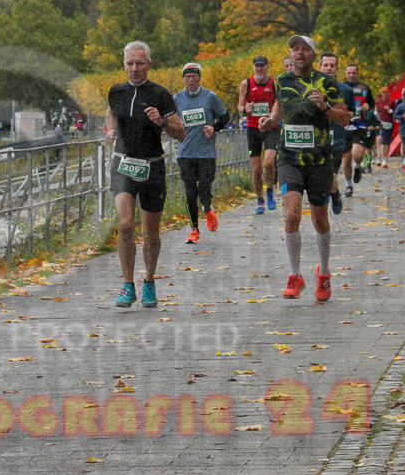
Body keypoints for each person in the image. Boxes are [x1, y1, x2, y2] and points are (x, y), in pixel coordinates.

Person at [259, 35, 351, 302]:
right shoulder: (280, 81)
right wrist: (270, 120)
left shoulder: (328, 82)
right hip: (289, 158)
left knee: (319, 219)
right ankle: (295, 275)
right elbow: (280, 107)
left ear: (313, 55)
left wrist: (324, 107)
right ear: (290, 55)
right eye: (295, 49)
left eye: (304, 49)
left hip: (319, 161)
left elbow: (344, 119)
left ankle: (324, 273)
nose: (299, 52)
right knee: (291, 215)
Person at [105, 41, 185, 309]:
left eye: (140, 63)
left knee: (150, 234)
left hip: (152, 166)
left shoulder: (161, 95)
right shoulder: (116, 91)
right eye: (130, 63)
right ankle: (128, 285)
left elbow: (180, 132)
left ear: (149, 64)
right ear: (124, 65)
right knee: (126, 225)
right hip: (123, 166)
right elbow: (111, 113)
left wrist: (162, 122)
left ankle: (149, 282)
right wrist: (109, 131)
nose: (135, 68)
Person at [174, 62, 230, 242]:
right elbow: (168, 121)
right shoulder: (176, 99)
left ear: (199, 78)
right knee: (190, 192)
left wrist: (214, 128)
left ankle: (207, 208)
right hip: (185, 153)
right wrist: (176, 126)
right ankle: (194, 229)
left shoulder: (210, 97)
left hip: (206, 154)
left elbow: (225, 116)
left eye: (194, 76)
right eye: (187, 77)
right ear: (183, 79)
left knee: (204, 189)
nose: (190, 80)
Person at [238, 55, 279, 214]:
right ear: (253, 67)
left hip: (270, 127)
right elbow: (240, 105)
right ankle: (260, 199)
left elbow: (280, 103)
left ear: (267, 67)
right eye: (257, 66)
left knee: (268, 163)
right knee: (256, 170)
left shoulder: (274, 83)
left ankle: (270, 190)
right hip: (253, 128)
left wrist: (273, 115)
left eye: (262, 65)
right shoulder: (246, 83)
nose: (259, 68)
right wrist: (244, 109)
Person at [319, 52, 354, 213]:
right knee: (322, 177)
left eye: (332, 65)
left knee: (331, 175)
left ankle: (335, 195)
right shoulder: (312, 88)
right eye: (325, 65)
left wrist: (342, 114)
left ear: (337, 68)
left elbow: (351, 113)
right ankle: (334, 192)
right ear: (320, 67)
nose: (328, 68)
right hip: (317, 139)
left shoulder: (346, 90)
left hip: (337, 138)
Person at [343, 64, 376, 188]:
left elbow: (371, 102)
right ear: (345, 73)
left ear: (357, 73)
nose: (351, 75)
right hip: (344, 127)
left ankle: (357, 167)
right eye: (349, 73)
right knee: (346, 160)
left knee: (357, 154)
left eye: (353, 73)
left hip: (359, 125)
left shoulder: (364, 88)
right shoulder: (340, 87)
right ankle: (348, 185)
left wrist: (369, 107)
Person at [375, 88, 394, 168]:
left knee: (387, 142)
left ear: (388, 93)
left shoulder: (392, 102)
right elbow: (376, 108)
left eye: (386, 93)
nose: (385, 94)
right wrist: (376, 113)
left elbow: (395, 112)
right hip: (382, 123)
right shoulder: (378, 101)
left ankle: (385, 158)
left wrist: (389, 110)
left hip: (390, 123)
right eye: (383, 92)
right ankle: (383, 160)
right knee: (383, 141)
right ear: (382, 93)